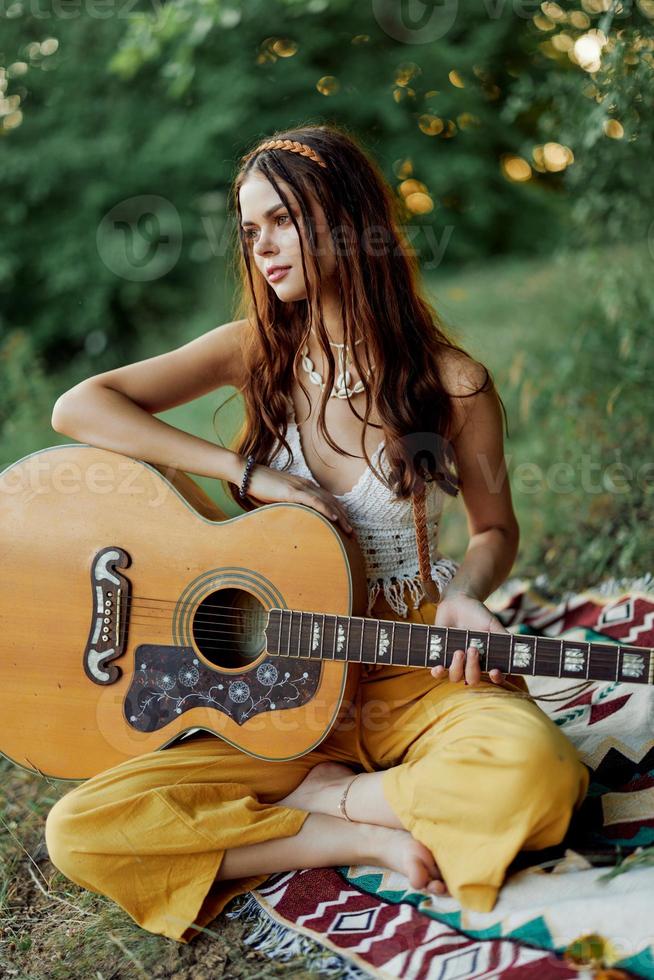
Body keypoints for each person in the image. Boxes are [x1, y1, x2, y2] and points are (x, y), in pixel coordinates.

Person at [45, 124, 589, 944]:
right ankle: (350, 829)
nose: (260, 247)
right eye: (248, 229)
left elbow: (494, 529)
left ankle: (307, 805)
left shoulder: (453, 383)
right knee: (80, 827)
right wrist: (250, 475)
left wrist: (467, 598)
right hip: (274, 696)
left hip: (413, 676)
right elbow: (80, 407)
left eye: (281, 222)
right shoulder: (256, 349)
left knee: (535, 779)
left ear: (343, 217)